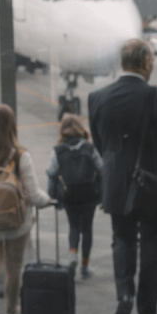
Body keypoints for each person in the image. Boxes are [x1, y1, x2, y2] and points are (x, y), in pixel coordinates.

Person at [88, 39, 157, 314]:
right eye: (153, 59)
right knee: (152, 245)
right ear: (145, 61)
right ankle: (147, 313)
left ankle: (124, 295)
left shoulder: (97, 97)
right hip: (152, 185)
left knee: (121, 239)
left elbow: (101, 144)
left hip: (116, 183)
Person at [0, 104, 51, 314]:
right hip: (17, 223)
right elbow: (33, 194)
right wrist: (47, 201)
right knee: (15, 267)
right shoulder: (21, 156)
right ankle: (11, 308)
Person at [45, 114, 103, 278]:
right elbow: (101, 168)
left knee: (74, 226)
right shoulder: (89, 148)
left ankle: (72, 255)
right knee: (87, 228)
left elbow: (51, 173)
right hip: (89, 194)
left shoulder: (58, 150)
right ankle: (84, 266)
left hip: (69, 195)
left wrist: (52, 196)